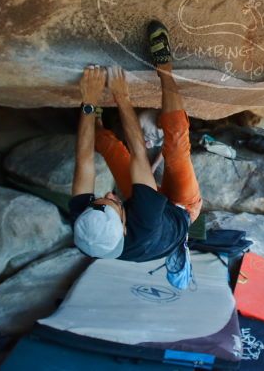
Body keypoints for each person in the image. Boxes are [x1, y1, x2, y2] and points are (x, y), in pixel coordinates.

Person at [69, 21, 202, 264]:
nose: (110, 193)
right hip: (182, 209)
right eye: (112, 202)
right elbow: (139, 152)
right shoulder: (145, 221)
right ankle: (164, 66)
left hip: (142, 216)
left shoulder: (88, 228)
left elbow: (84, 161)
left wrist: (88, 101)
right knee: (176, 145)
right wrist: (121, 95)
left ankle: (96, 121)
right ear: (123, 227)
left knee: (106, 146)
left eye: (101, 198)